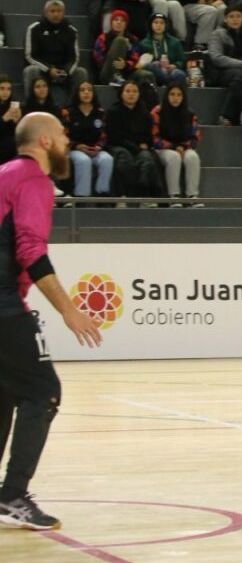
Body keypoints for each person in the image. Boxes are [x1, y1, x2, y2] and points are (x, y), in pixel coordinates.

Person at [0, 112, 104, 531]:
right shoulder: (33, 180)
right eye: (62, 134)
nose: (67, 140)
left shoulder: (5, 172)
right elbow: (29, 249)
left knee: (6, 393)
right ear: (44, 142)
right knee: (44, 392)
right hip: (4, 304)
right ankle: (12, 496)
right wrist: (67, 308)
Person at [106, 81, 163, 200]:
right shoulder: (113, 112)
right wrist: (135, 147)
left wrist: (145, 144)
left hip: (139, 147)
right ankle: (122, 195)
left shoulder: (145, 114)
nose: (131, 94)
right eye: (128, 91)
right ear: (121, 94)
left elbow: (148, 136)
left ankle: (144, 196)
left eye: (135, 91)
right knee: (124, 157)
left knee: (147, 158)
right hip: (118, 145)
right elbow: (114, 136)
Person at [23, 0, 90, 100]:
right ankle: (32, 107)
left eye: (59, 11)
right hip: (43, 71)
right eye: (52, 11)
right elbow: (30, 56)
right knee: (31, 70)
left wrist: (65, 72)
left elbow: (74, 58)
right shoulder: (34, 29)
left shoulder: (71, 31)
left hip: (63, 72)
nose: (56, 14)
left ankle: (73, 109)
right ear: (45, 13)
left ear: (63, 13)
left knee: (81, 72)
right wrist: (49, 69)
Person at [62, 82, 113, 199]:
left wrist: (100, 146)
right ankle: (81, 196)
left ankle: (102, 194)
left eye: (89, 90)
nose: (86, 92)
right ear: (77, 93)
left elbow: (105, 135)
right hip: (75, 148)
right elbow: (63, 136)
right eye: (83, 90)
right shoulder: (68, 112)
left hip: (95, 149)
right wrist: (77, 146)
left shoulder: (100, 112)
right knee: (84, 161)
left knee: (107, 159)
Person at [151, 84, 201, 204]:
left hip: (183, 147)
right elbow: (154, 138)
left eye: (179, 95)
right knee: (174, 157)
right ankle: (174, 196)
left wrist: (183, 147)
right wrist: (173, 147)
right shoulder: (157, 112)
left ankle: (192, 196)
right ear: (167, 95)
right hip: (162, 148)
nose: (175, 98)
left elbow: (195, 137)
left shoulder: (189, 113)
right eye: (172, 94)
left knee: (193, 157)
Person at [207, 7, 242, 87]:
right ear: (225, 19)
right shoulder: (218, 34)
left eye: (238, 16)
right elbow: (216, 57)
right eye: (231, 16)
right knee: (240, 76)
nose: (235, 19)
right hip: (225, 71)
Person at [136, 13, 188, 87]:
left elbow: (182, 60)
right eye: (156, 22)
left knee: (180, 74)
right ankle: (168, 83)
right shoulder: (144, 43)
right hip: (154, 73)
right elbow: (141, 63)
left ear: (166, 25)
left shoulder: (175, 42)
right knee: (149, 66)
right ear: (151, 25)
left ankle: (167, 83)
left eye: (162, 23)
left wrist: (175, 65)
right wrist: (154, 64)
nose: (159, 25)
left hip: (170, 71)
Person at [0, 78, 17, 165]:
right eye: (2, 88)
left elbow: (14, 132)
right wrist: (3, 119)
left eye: (8, 89)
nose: (5, 92)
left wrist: (17, 121)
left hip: (9, 143)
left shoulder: (13, 105)